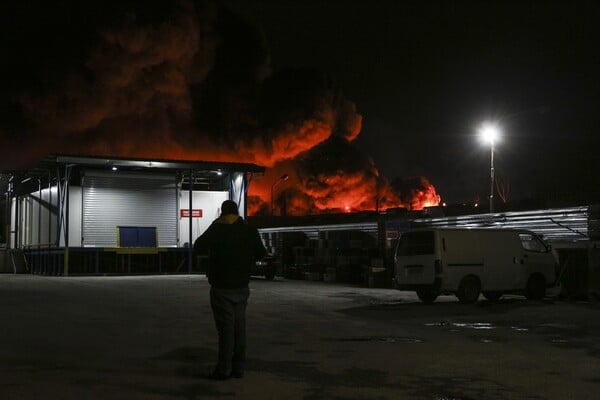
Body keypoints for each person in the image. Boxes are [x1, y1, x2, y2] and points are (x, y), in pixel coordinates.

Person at [193, 199, 267, 380]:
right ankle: (238, 367)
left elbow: (198, 246)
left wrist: (214, 225)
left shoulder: (217, 229)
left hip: (221, 287)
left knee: (226, 330)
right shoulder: (249, 230)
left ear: (222, 214)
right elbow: (261, 253)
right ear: (237, 213)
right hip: (242, 286)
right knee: (239, 327)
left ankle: (223, 369)